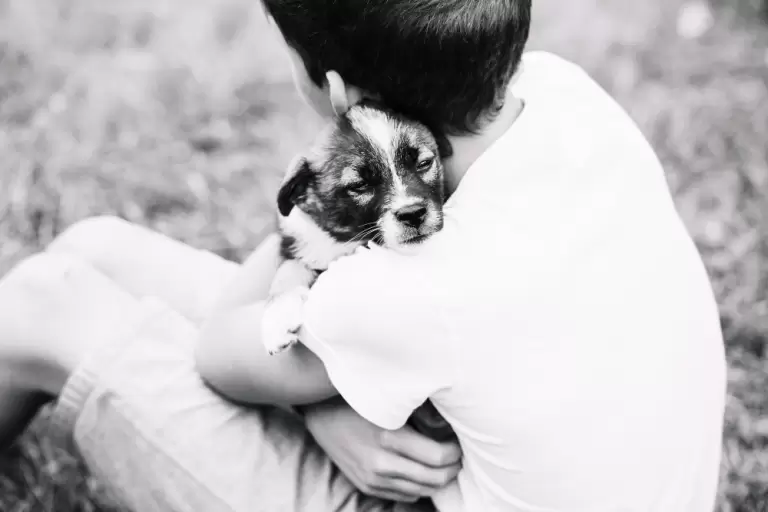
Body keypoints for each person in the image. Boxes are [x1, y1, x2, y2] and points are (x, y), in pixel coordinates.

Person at [0, 1, 728, 511]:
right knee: (95, 249)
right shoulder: (565, 92)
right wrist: (324, 402)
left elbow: (220, 351)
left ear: (338, 91)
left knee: (42, 298)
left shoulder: (406, 286)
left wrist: (307, 201)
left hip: (420, 492)